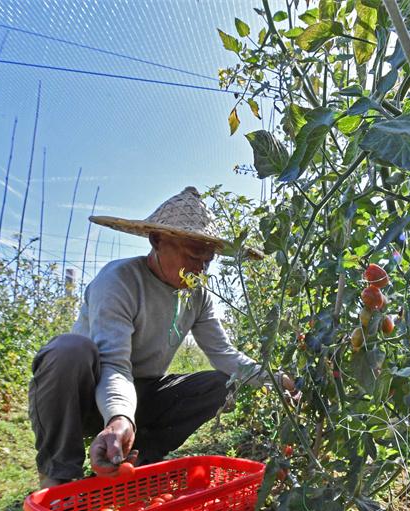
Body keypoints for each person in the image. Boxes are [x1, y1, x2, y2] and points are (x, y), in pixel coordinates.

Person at [28, 186, 297, 487]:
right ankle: (60, 477)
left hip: (142, 393)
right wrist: (119, 418)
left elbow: (224, 354)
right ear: (157, 240)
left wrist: (277, 379)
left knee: (220, 383)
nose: (200, 268)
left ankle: (137, 461)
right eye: (193, 256)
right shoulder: (119, 281)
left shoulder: (198, 297)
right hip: (85, 394)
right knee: (69, 349)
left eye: (207, 260)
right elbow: (114, 365)